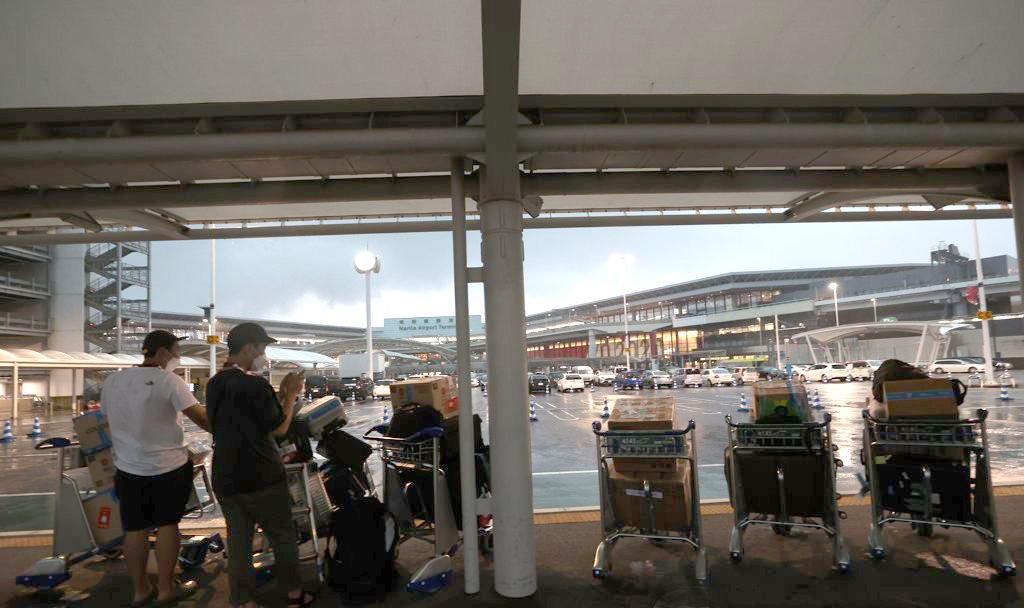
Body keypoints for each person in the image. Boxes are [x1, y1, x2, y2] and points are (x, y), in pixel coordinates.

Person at [206, 322, 315, 608]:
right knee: (282, 536)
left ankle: (242, 600)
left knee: (238, 542)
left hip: (226, 476)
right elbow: (279, 428)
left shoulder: (214, 383)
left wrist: (280, 397)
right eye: (262, 348)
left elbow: (240, 419)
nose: (264, 355)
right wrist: (290, 395)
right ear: (248, 348)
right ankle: (294, 594)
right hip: (261, 475)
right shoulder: (255, 384)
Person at [101, 330, 210, 607]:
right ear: (162, 352)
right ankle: (165, 589)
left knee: (134, 529)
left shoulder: (113, 381)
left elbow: (107, 422)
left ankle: (140, 591)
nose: (177, 357)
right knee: (167, 526)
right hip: (168, 467)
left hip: (128, 467)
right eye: (176, 352)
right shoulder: (169, 380)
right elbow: (202, 419)